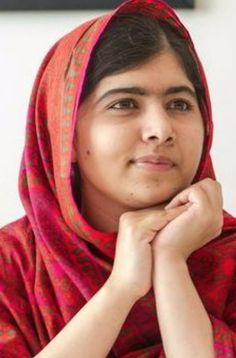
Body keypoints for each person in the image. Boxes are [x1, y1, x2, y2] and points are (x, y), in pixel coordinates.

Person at [0, 0, 235, 356]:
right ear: (66, 135)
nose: (160, 130)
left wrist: (171, 264)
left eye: (180, 104)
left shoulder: (229, 258)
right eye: (124, 104)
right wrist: (122, 288)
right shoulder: (11, 266)